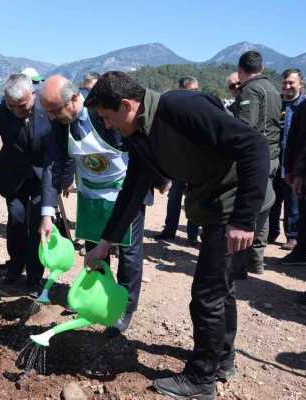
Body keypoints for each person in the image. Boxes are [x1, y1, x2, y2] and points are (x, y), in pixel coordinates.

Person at [84, 71, 272, 399]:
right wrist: (104, 243)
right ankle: (221, 360)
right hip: (214, 206)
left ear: (128, 106)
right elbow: (132, 190)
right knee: (220, 289)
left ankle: (201, 380)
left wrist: (243, 219)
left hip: (234, 203)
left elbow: (253, 145)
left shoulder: (181, 108)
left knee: (207, 294)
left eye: (108, 117)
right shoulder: (141, 133)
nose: (108, 126)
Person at [38, 75, 145, 336]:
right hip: (90, 196)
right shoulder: (61, 124)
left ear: (75, 99)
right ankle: (94, 299)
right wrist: (47, 213)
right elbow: (52, 164)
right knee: (95, 252)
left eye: (55, 111)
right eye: (48, 112)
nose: (52, 117)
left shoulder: (104, 113)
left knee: (128, 253)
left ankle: (123, 307)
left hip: (122, 193)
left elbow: (139, 147)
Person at [0, 74, 51, 296]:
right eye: (12, 106)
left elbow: (61, 147)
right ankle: (16, 266)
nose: (17, 111)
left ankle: (35, 277)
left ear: (33, 96)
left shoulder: (47, 111)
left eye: (22, 105)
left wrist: (64, 177)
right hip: (13, 177)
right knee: (16, 221)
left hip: (40, 177)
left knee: (37, 225)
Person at [231, 50, 282, 275]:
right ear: (260, 68)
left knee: (248, 208)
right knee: (265, 207)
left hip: (255, 160)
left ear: (241, 71)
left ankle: (240, 264)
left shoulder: (250, 90)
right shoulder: (272, 89)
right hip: (272, 155)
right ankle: (257, 259)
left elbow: (245, 127)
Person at [153, 77, 201, 245]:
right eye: (191, 90)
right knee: (174, 198)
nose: (194, 94)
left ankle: (193, 235)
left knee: (193, 200)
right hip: (177, 164)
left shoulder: (202, 110)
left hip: (196, 164)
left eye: (196, 90)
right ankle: (169, 230)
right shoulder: (172, 111)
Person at [268, 69, 306, 249]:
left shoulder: (304, 106)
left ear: (301, 84)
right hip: (275, 160)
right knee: (272, 200)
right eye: (284, 83)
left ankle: (292, 236)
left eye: (291, 82)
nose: (287, 86)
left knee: (293, 202)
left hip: (294, 162)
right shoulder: (277, 104)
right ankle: (271, 232)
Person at [282, 95, 306, 266]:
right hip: (304, 170)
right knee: (304, 214)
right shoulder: (305, 106)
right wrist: (296, 171)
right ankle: (301, 251)